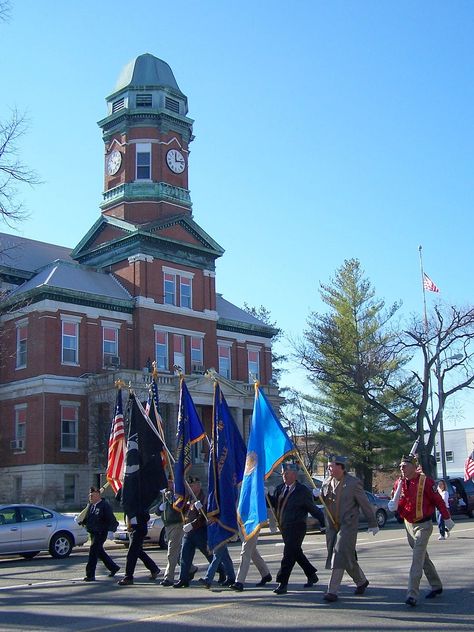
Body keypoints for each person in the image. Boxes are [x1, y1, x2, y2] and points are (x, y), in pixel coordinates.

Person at [390, 454, 454, 607]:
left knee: (417, 559)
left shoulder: (426, 482)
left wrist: (446, 518)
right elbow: (396, 500)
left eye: (405, 465)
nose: (401, 468)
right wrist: (394, 506)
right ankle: (436, 585)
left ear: (413, 467)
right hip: (408, 525)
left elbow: (438, 501)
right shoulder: (399, 482)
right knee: (423, 558)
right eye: (400, 466)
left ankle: (412, 594)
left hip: (424, 526)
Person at [320, 456, 379, 603]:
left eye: (331, 466)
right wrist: (316, 495)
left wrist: (373, 522)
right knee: (348, 557)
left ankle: (332, 591)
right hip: (332, 526)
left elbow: (364, 503)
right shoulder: (327, 483)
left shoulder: (353, 483)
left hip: (348, 525)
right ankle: (361, 581)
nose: (329, 469)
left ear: (341, 467)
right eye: (328, 466)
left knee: (339, 553)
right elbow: (323, 500)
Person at [267, 462, 325, 595]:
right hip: (284, 527)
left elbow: (313, 508)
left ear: (294, 475)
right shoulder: (280, 488)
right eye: (283, 474)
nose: (284, 476)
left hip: (297, 527)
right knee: (296, 553)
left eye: (287, 474)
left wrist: (323, 523)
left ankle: (282, 582)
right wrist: (266, 496)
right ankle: (311, 574)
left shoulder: (302, 491)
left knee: (288, 555)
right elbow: (273, 504)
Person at [174, 476, 216, 588]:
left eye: (192, 485)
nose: (190, 487)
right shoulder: (188, 498)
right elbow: (184, 511)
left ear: (198, 485)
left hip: (199, 532)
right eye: (189, 485)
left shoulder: (204, 498)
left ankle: (221, 570)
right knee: (185, 556)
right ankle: (183, 579)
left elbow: (203, 517)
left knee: (209, 555)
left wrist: (192, 525)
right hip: (188, 533)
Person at [81, 486, 120, 582]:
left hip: (101, 532)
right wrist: (82, 522)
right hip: (93, 532)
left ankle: (90, 575)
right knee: (99, 552)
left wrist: (111, 530)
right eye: (89, 495)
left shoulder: (104, 505)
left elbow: (112, 519)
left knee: (93, 552)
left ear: (98, 495)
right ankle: (113, 567)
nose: (90, 497)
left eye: (92, 495)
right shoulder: (91, 505)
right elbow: (88, 518)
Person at [117, 510, 161, 585]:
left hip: (137, 528)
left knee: (132, 553)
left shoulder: (136, 503)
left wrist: (130, 525)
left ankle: (128, 577)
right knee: (138, 551)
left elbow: (137, 515)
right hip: (137, 528)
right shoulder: (134, 502)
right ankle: (154, 569)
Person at [158, 477, 186, 586]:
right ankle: (190, 569)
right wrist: (160, 508)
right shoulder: (164, 495)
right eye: (167, 482)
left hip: (176, 525)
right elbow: (156, 511)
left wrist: (170, 498)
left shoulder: (177, 494)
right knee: (176, 553)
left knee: (171, 552)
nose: (168, 484)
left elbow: (178, 507)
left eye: (170, 482)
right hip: (167, 526)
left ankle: (169, 577)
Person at [198, 517, 236, 589]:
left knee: (216, 557)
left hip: (220, 530)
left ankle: (208, 579)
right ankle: (231, 577)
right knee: (225, 558)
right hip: (216, 529)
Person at [230, 528, 271, 592]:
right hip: (244, 526)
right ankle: (266, 574)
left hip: (251, 526)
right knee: (252, 552)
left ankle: (239, 582)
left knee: (245, 553)